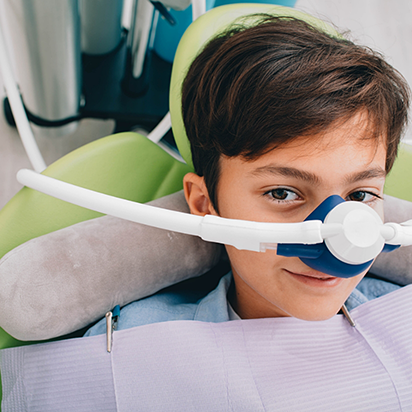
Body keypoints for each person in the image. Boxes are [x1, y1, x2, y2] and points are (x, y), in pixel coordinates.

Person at [85, 13, 410, 335]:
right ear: (204, 202)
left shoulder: (402, 320)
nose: (334, 239)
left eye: (360, 195)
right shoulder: (132, 344)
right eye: (282, 193)